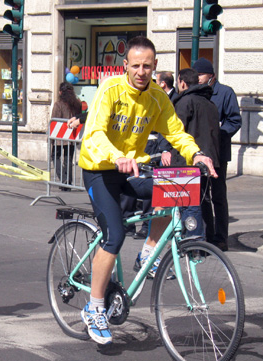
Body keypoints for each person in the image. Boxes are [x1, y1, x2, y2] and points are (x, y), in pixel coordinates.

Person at [77, 36, 217, 345]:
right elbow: (96, 132)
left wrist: (196, 154)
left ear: (155, 67)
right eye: (136, 65)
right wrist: (117, 156)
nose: (142, 72)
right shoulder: (110, 90)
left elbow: (176, 132)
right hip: (100, 169)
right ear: (125, 66)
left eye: (148, 66)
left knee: (175, 191)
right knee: (114, 234)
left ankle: (149, 252)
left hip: (133, 168)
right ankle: (95, 307)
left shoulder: (157, 97)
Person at [161, 68, 220, 241]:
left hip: (188, 161)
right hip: (208, 159)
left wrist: (166, 149)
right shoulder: (210, 103)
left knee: (188, 203)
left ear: (182, 82)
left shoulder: (185, 101)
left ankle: (191, 239)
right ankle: (207, 240)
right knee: (204, 200)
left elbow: (175, 130)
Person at [192, 57, 242, 251]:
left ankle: (221, 238)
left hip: (218, 152)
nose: (198, 78)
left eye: (200, 75)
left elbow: (235, 120)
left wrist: (218, 132)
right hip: (200, 152)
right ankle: (208, 235)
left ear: (211, 75)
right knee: (202, 195)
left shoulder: (225, 92)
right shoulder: (196, 93)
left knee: (218, 196)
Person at [51, 81, 82, 190]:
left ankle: (63, 179)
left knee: (55, 156)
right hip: (72, 136)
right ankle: (67, 182)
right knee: (68, 158)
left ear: (60, 92)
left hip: (59, 136)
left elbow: (54, 122)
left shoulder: (58, 104)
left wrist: (50, 140)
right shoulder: (77, 104)